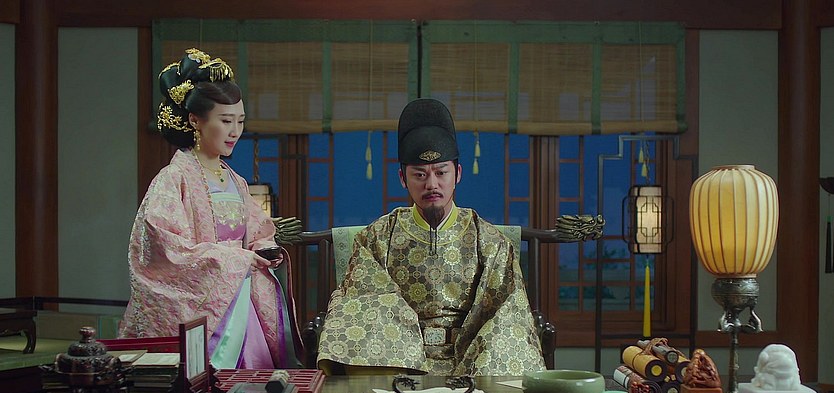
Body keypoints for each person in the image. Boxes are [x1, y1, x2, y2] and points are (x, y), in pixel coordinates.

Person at [317, 98, 546, 375]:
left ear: (457, 174)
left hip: (473, 366)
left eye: (441, 172)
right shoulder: (376, 238)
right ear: (403, 178)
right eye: (420, 175)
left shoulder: (489, 241)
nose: (432, 184)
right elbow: (360, 308)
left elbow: (507, 316)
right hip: (399, 366)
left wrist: (471, 374)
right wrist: (410, 362)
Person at [119, 48, 303, 370]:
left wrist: (262, 249)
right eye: (226, 121)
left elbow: (256, 232)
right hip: (210, 302)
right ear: (195, 120)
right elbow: (167, 251)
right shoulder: (173, 179)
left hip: (242, 294)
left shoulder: (236, 181)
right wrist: (237, 259)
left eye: (240, 121)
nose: (235, 132)